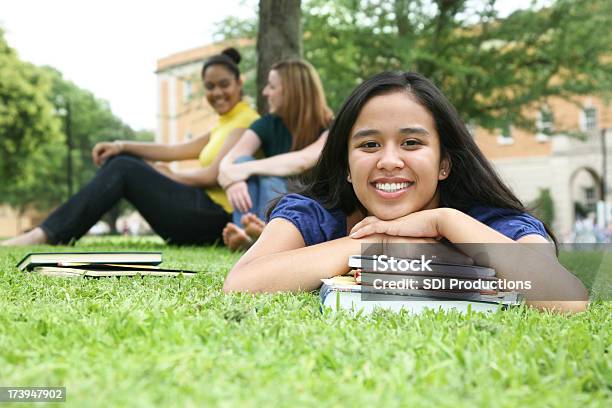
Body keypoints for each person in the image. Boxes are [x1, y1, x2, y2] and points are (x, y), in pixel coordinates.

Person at [223, 71, 589, 314]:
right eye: (369, 146)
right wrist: (378, 243)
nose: (389, 160)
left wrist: (443, 220)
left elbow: (566, 299)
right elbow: (241, 285)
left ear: (444, 163)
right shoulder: (315, 213)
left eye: (411, 142)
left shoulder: (489, 222)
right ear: (347, 167)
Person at [2, 48, 259, 246]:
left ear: (239, 82)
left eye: (224, 84)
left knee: (124, 167)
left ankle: (44, 234)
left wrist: (170, 175)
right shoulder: (222, 124)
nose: (217, 93)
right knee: (122, 160)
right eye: (210, 87)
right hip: (199, 212)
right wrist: (121, 145)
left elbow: (213, 175)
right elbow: (172, 150)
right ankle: (48, 231)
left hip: (218, 219)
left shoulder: (246, 120)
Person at [218, 59, 333, 250]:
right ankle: (249, 235)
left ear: (292, 91)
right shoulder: (267, 124)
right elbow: (229, 161)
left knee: (266, 178)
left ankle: (263, 239)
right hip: (273, 203)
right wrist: (233, 180)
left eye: (271, 86)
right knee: (244, 161)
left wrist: (240, 170)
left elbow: (303, 160)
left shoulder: (331, 126)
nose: (265, 92)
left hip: (311, 207)